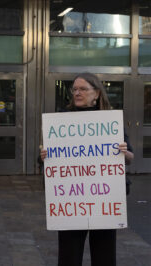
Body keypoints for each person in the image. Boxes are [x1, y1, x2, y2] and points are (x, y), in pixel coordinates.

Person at [40, 72, 134, 266]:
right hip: (71, 200)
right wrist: (43, 155)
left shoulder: (110, 121)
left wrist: (124, 152)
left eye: (83, 89)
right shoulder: (61, 120)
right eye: (74, 89)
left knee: (104, 255)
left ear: (97, 93)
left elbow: (130, 157)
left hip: (104, 199)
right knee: (69, 255)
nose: (77, 93)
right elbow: (45, 157)